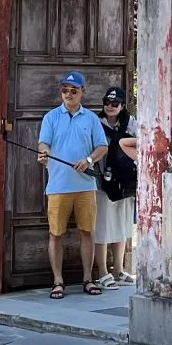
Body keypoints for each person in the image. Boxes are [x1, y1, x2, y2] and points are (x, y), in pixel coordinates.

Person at [37, 70, 107, 298]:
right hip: (58, 186)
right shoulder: (51, 117)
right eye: (65, 90)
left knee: (87, 232)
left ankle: (88, 278)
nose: (68, 94)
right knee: (55, 234)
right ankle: (58, 281)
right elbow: (43, 144)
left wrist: (88, 160)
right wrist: (44, 154)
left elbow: (102, 147)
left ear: (82, 92)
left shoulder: (91, 119)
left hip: (85, 186)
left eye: (73, 90)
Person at [91, 86, 138, 288]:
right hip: (102, 180)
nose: (110, 107)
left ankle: (118, 270)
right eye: (107, 103)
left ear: (122, 105)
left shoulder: (131, 123)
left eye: (114, 103)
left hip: (124, 181)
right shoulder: (96, 123)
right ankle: (102, 271)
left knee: (121, 224)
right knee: (102, 225)